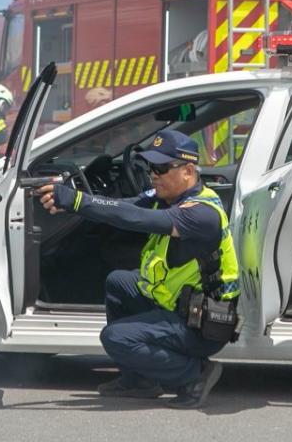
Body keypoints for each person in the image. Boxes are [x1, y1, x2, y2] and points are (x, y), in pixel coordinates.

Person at [36, 130, 240, 409]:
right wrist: (71, 202)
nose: (153, 175)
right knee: (119, 281)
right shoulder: (167, 197)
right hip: (177, 304)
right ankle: (140, 380)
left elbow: (135, 217)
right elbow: (122, 206)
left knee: (115, 338)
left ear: (189, 171)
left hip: (203, 323)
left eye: (161, 168)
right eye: (150, 168)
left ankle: (195, 375)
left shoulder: (201, 213)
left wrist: (76, 200)